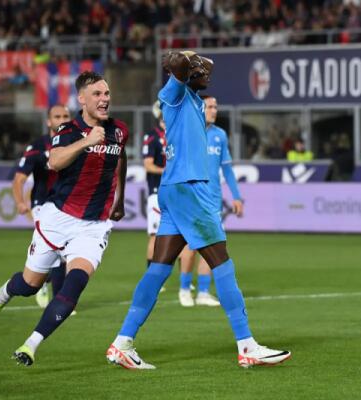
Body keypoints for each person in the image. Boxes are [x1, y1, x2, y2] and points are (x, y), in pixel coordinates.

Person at [106, 50, 290, 370]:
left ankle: (122, 342)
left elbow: (206, 66)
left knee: (158, 269)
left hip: (175, 189)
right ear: (187, 73)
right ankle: (247, 345)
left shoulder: (192, 98)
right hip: (189, 189)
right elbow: (177, 63)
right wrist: (182, 60)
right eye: (201, 71)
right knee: (223, 264)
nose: (208, 75)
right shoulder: (174, 93)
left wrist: (198, 63)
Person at [0, 71, 128, 366]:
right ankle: (1, 295)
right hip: (58, 219)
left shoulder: (119, 130)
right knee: (29, 285)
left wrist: (120, 200)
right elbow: (54, 161)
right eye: (97, 94)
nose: (104, 99)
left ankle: (30, 345)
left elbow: (121, 160)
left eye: (106, 93)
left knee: (74, 283)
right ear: (82, 99)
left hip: (93, 226)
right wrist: (86, 142)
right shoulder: (68, 130)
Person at [142, 101, 216, 307]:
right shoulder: (152, 136)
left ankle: (184, 281)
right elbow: (148, 165)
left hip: (180, 193)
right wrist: (170, 172)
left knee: (183, 236)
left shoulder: (178, 133)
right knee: (155, 236)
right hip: (158, 193)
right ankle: (153, 277)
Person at [183, 94, 243, 307]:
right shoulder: (188, 132)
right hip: (192, 198)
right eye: (210, 107)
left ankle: (202, 292)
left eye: (216, 107)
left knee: (212, 246)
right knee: (190, 245)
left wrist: (236, 196)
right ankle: (184, 289)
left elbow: (227, 169)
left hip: (213, 200)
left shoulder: (220, 135)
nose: (214, 111)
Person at [12, 104, 71, 309]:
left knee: (62, 254)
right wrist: (20, 201)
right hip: (43, 204)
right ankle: (58, 302)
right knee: (59, 251)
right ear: (48, 121)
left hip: (68, 205)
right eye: (57, 116)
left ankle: (46, 285)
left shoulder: (77, 143)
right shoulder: (38, 146)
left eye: (65, 116)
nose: (62, 120)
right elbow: (19, 179)